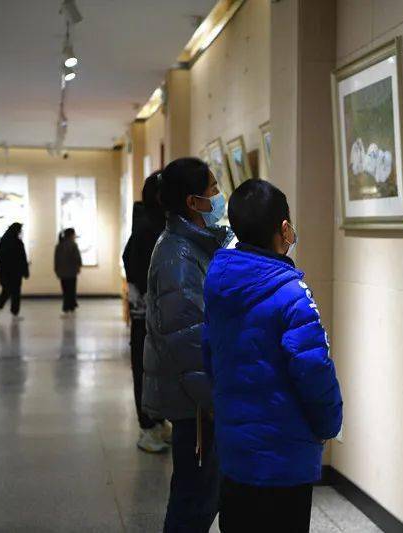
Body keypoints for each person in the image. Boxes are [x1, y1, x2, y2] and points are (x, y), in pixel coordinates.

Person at [203, 179, 343, 533]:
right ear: (284, 229)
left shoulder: (218, 283)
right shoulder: (292, 293)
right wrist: (329, 425)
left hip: (235, 452)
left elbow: (208, 355)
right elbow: (314, 370)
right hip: (284, 460)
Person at [143, 157, 232, 532]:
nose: (219, 197)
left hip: (195, 400)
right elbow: (188, 342)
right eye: (213, 190)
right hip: (194, 406)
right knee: (193, 503)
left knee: (197, 496)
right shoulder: (177, 257)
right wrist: (213, 404)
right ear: (193, 202)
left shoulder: (193, 245)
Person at [122, 173, 170, 453]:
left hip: (157, 313)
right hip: (147, 315)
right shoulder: (147, 228)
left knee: (157, 369)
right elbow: (139, 270)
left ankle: (157, 421)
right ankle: (148, 426)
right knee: (145, 368)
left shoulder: (156, 225)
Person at [0, 222, 30, 321]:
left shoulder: (3, 241)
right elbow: (22, 259)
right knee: (16, 293)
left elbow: (0, 258)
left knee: (6, 290)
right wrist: (25, 272)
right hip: (16, 272)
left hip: (5, 272)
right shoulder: (18, 242)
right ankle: (15, 313)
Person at [54, 227, 82, 315]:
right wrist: (79, 266)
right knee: (72, 289)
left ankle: (68, 306)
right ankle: (70, 306)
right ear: (71, 235)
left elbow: (56, 259)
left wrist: (56, 270)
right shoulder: (73, 244)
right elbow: (77, 257)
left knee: (65, 289)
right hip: (72, 272)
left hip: (62, 272)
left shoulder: (59, 245)